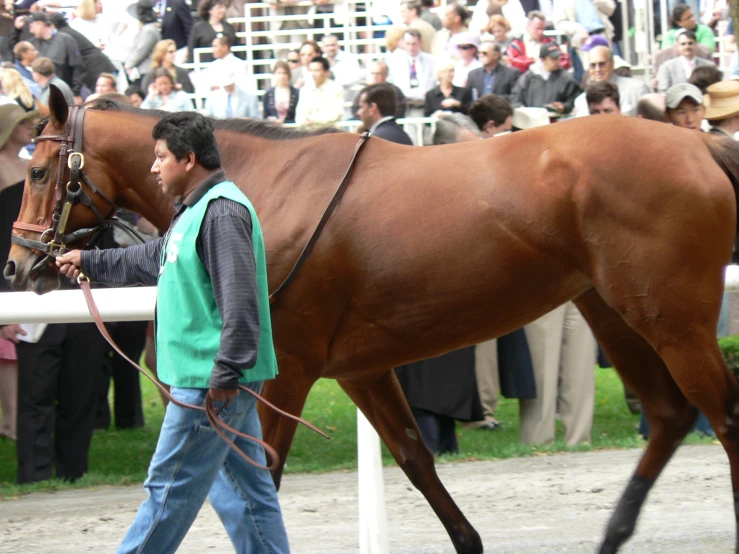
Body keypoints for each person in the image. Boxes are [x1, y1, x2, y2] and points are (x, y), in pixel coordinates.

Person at [55, 110, 289, 553]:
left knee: (168, 489)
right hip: (214, 379)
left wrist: (223, 376)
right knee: (249, 496)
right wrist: (88, 261)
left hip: (209, 383)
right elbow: (152, 257)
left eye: (160, 157)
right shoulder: (194, 212)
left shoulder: (221, 212)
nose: (152, 167)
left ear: (188, 159)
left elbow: (241, 305)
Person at [10, 11, 85, 103]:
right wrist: (16, 30)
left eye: (31, 27)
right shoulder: (33, 43)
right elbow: (16, 51)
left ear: (40, 24)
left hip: (64, 90)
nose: (30, 31)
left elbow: (77, 67)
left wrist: (76, 93)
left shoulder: (65, 39)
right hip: (44, 92)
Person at [573, 45, 649, 117]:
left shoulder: (637, 89)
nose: (597, 69)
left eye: (602, 64)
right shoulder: (580, 101)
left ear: (612, 64)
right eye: (593, 65)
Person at [512, 43, 582, 115]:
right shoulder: (528, 77)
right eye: (553, 59)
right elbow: (515, 97)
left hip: (556, 121)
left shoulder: (566, 78)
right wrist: (520, 108)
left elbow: (574, 99)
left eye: (558, 58)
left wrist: (564, 107)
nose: (557, 61)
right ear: (543, 59)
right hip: (531, 120)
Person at [387, 29, 437, 115]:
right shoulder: (395, 61)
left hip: (425, 101)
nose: (411, 48)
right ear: (403, 43)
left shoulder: (432, 60)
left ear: (420, 42)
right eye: (408, 44)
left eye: (414, 44)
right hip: (404, 102)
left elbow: (436, 80)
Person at [295, 55, 345, 126]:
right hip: (309, 132)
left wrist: (314, 119)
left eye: (316, 70)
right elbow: (300, 115)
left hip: (330, 132)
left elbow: (336, 114)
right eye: (311, 70)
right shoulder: (305, 89)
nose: (313, 74)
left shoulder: (336, 89)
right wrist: (304, 121)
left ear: (326, 72)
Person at [125, 0, 162, 87]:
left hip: (146, 70)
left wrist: (129, 64)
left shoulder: (149, 30)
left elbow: (141, 50)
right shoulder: (148, 29)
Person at [188, 0, 236, 65]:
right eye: (219, 8)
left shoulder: (229, 27)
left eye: (223, 7)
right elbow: (191, 50)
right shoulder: (199, 28)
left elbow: (235, 47)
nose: (223, 10)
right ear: (210, 10)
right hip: (205, 67)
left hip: (227, 67)